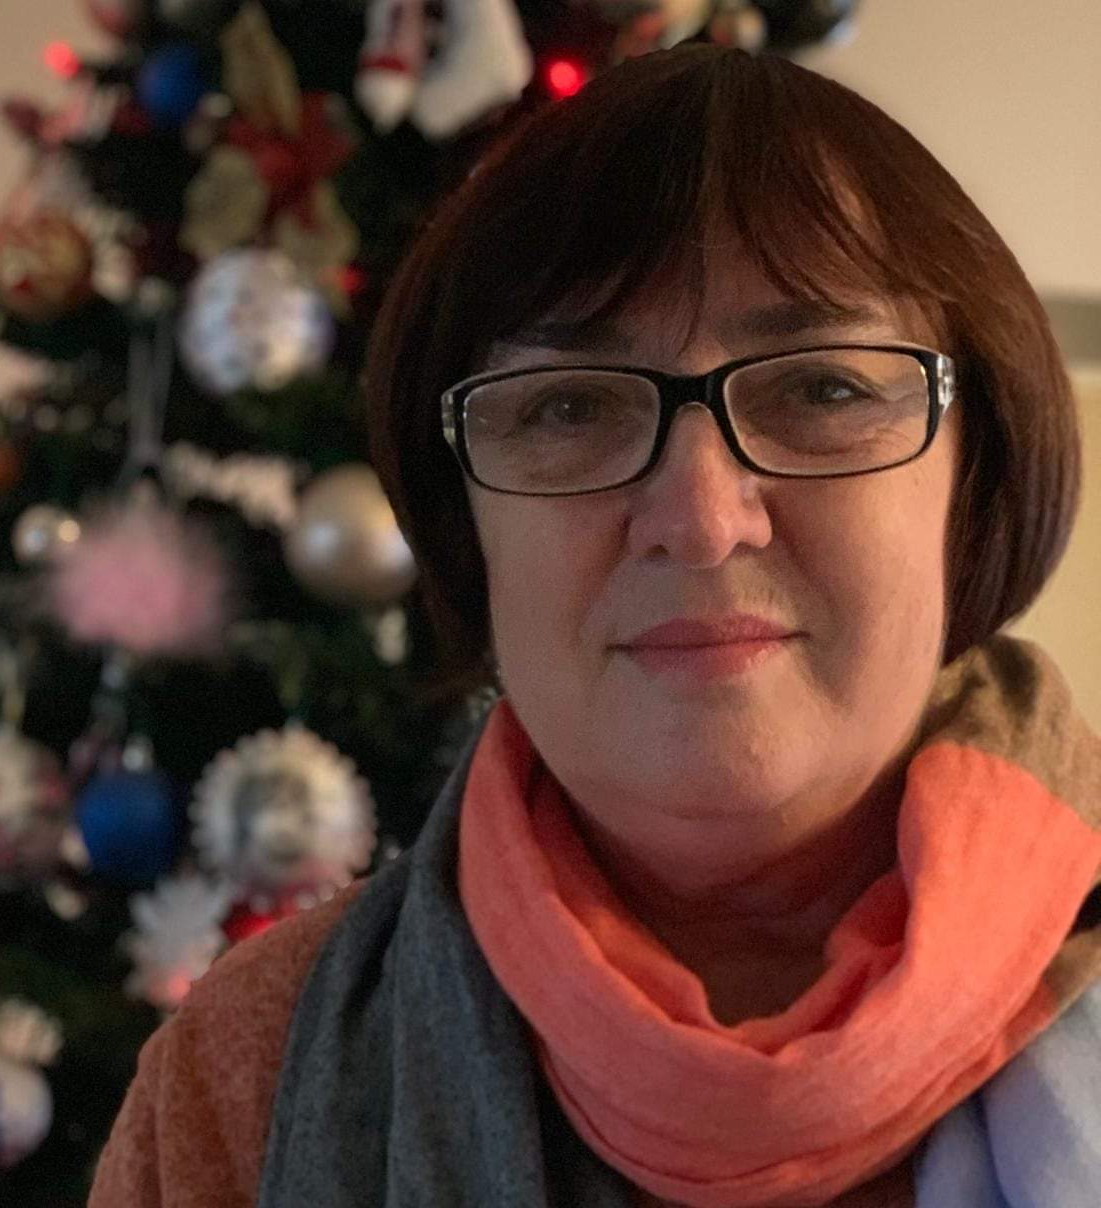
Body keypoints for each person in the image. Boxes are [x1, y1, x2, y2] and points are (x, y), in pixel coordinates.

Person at [89, 43, 1101, 1208]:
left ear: (974, 478)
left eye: (823, 387)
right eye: (569, 405)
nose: (701, 520)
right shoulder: (241, 1077)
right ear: (468, 523)